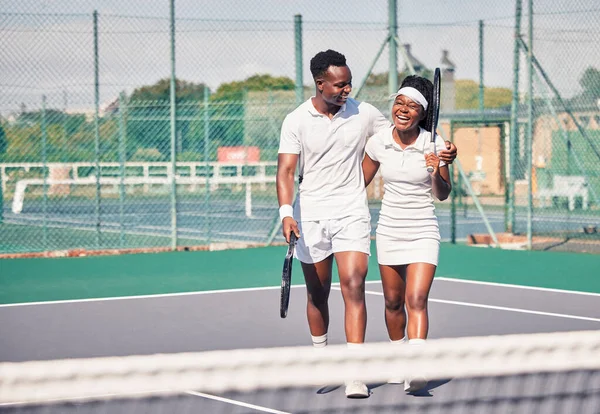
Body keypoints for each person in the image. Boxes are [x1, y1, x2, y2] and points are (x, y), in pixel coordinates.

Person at [276, 50, 456, 398]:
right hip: (310, 213)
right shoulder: (295, 120)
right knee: (317, 294)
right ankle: (322, 358)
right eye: (340, 85)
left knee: (355, 284)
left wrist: (445, 151)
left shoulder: (364, 113)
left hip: (353, 214)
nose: (347, 90)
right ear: (320, 83)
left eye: (349, 84)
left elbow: (410, 129)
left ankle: (355, 373)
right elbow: (285, 170)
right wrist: (287, 211)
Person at [362, 74, 453, 393]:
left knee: (416, 298)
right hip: (389, 229)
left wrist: (435, 170)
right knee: (392, 302)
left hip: (424, 229)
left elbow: (442, 193)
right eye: (399, 102)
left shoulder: (437, 144)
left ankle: (416, 369)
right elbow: (357, 183)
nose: (402, 109)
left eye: (411, 105)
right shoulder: (378, 142)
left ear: (423, 113)